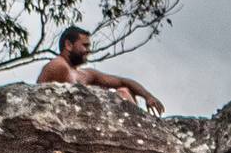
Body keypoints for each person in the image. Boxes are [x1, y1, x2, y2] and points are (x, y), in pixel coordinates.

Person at [36, 25, 165, 112]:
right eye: (85, 45)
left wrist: (148, 97)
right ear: (69, 45)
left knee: (124, 91)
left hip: (86, 116)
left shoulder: (85, 74)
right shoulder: (57, 66)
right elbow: (40, 98)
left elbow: (123, 81)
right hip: (67, 120)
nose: (88, 50)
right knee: (121, 94)